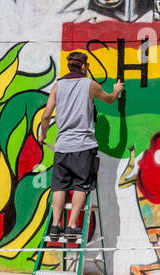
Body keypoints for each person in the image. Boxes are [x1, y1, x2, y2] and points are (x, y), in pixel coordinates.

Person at [36, 50, 123, 241]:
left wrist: (43, 136)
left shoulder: (57, 86)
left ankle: (56, 226)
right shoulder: (89, 85)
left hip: (62, 147)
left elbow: (45, 116)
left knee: (59, 186)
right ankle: (72, 225)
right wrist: (116, 90)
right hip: (83, 147)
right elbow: (109, 99)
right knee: (81, 186)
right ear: (84, 66)